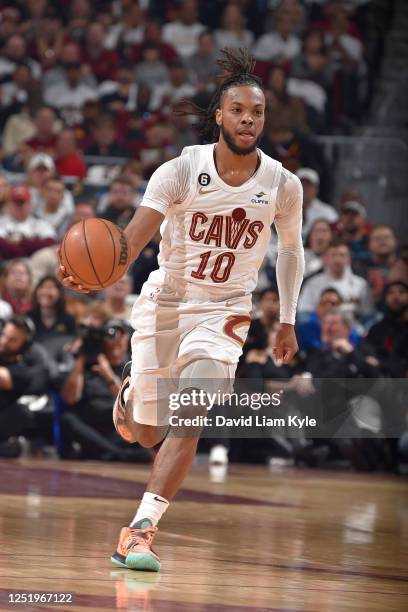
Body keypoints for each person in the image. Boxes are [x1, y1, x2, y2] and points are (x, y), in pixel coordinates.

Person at [58, 48, 304, 572]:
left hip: (226, 310)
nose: (247, 120)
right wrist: (92, 272)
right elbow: (127, 245)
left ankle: (140, 533)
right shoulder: (179, 171)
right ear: (219, 114)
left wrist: (286, 319)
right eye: (238, 110)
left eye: (256, 112)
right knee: (148, 432)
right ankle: (131, 392)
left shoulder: (283, 184)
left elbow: (290, 251)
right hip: (166, 304)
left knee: (192, 412)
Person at [298, 238, 374, 321]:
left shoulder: (361, 284)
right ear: (326, 259)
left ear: (349, 259)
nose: (338, 260)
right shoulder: (312, 284)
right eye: (333, 255)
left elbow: (368, 315)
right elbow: (303, 314)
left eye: (342, 255)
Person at [296, 167, 338, 239]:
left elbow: (336, 236)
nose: (304, 188)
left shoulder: (328, 212)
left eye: (309, 185)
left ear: (316, 189)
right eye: (301, 184)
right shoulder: (281, 208)